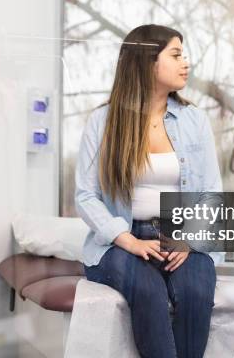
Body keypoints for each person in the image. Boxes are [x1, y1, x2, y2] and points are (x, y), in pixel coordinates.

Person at [75, 24, 223, 358]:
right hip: (123, 240)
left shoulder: (194, 120)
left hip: (181, 235)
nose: (185, 63)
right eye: (175, 55)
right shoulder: (104, 121)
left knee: (196, 292)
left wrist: (189, 239)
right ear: (147, 62)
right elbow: (85, 196)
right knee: (149, 291)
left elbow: (213, 192)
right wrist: (128, 240)